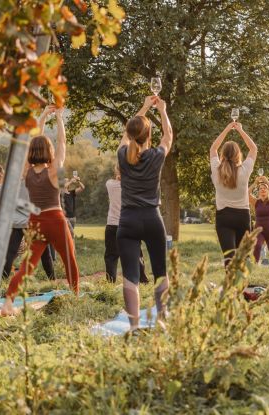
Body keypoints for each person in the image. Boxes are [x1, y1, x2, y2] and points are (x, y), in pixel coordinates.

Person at [1, 105, 79, 316]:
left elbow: (34, 143)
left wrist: (43, 116)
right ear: (49, 152)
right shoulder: (54, 169)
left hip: (34, 221)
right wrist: (60, 117)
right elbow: (62, 142)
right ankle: (74, 297)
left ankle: (8, 302)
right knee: (69, 260)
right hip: (55, 219)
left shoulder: (26, 170)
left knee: (27, 265)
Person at [117, 95, 173, 329]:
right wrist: (162, 111)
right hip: (152, 219)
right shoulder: (156, 157)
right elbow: (168, 136)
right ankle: (162, 318)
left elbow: (125, 137)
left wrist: (142, 108)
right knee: (160, 270)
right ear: (149, 135)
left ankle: (134, 327)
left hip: (128, 219)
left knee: (130, 275)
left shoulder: (122, 155)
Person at [209, 121, 257, 266]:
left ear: (223, 154)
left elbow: (213, 149)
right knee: (242, 258)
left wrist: (227, 129)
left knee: (229, 259)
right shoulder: (244, 170)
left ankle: (231, 288)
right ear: (238, 155)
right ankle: (241, 287)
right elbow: (253, 149)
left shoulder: (217, 169)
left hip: (224, 217)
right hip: (242, 216)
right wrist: (240, 130)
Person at [2, 178, 56, 280]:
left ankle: (3, 279)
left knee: (11, 251)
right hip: (33, 222)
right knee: (45, 253)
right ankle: (52, 279)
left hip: (17, 222)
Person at [104, 165, 148, 284]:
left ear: (116, 171)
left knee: (111, 256)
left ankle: (110, 282)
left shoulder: (110, 184)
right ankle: (142, 280)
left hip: (113, 225)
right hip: (130, 224)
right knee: (136, 253)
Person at [249, 176, 269, 264]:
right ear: (258, 191)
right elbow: (247, 193)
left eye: (265, 188)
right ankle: (255, 265)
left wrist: (267, 181)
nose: (263, 190)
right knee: (257, 246)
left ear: (268, 191)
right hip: (259, 230)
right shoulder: (256, 202)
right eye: (261, 188)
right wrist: (255, 183)